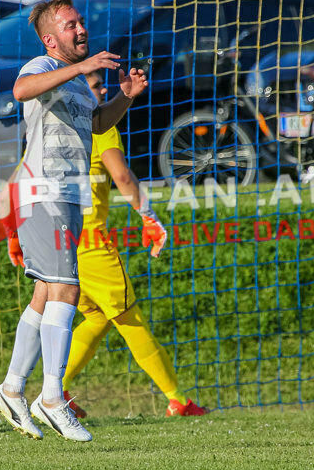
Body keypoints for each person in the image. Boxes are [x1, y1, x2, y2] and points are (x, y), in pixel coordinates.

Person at [0, 0, 148, 442]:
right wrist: (81, 67)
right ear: (50, 39)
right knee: (68, 289)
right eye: (70, 24)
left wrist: (125, 97)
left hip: (67, 196)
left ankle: (11, 389)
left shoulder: (78, 83)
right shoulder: (40, 66)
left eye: (80, 22)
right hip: (44, 192)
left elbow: (96, 124)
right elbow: (21, 91)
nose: (81, 29)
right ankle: (53, 398)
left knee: (46, 293)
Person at [57, 70, 206, 419]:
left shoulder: (52, 129)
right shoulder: (100, 126)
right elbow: (122, 175)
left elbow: (19, 182)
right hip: (91, 245)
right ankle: (177, 400)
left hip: (56, 241)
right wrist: (149, 216)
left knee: (96, 318)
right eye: (96, 86)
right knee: (130, 319)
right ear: (79, 90)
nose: (103, 90)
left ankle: (55, 391)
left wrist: (15, 235)